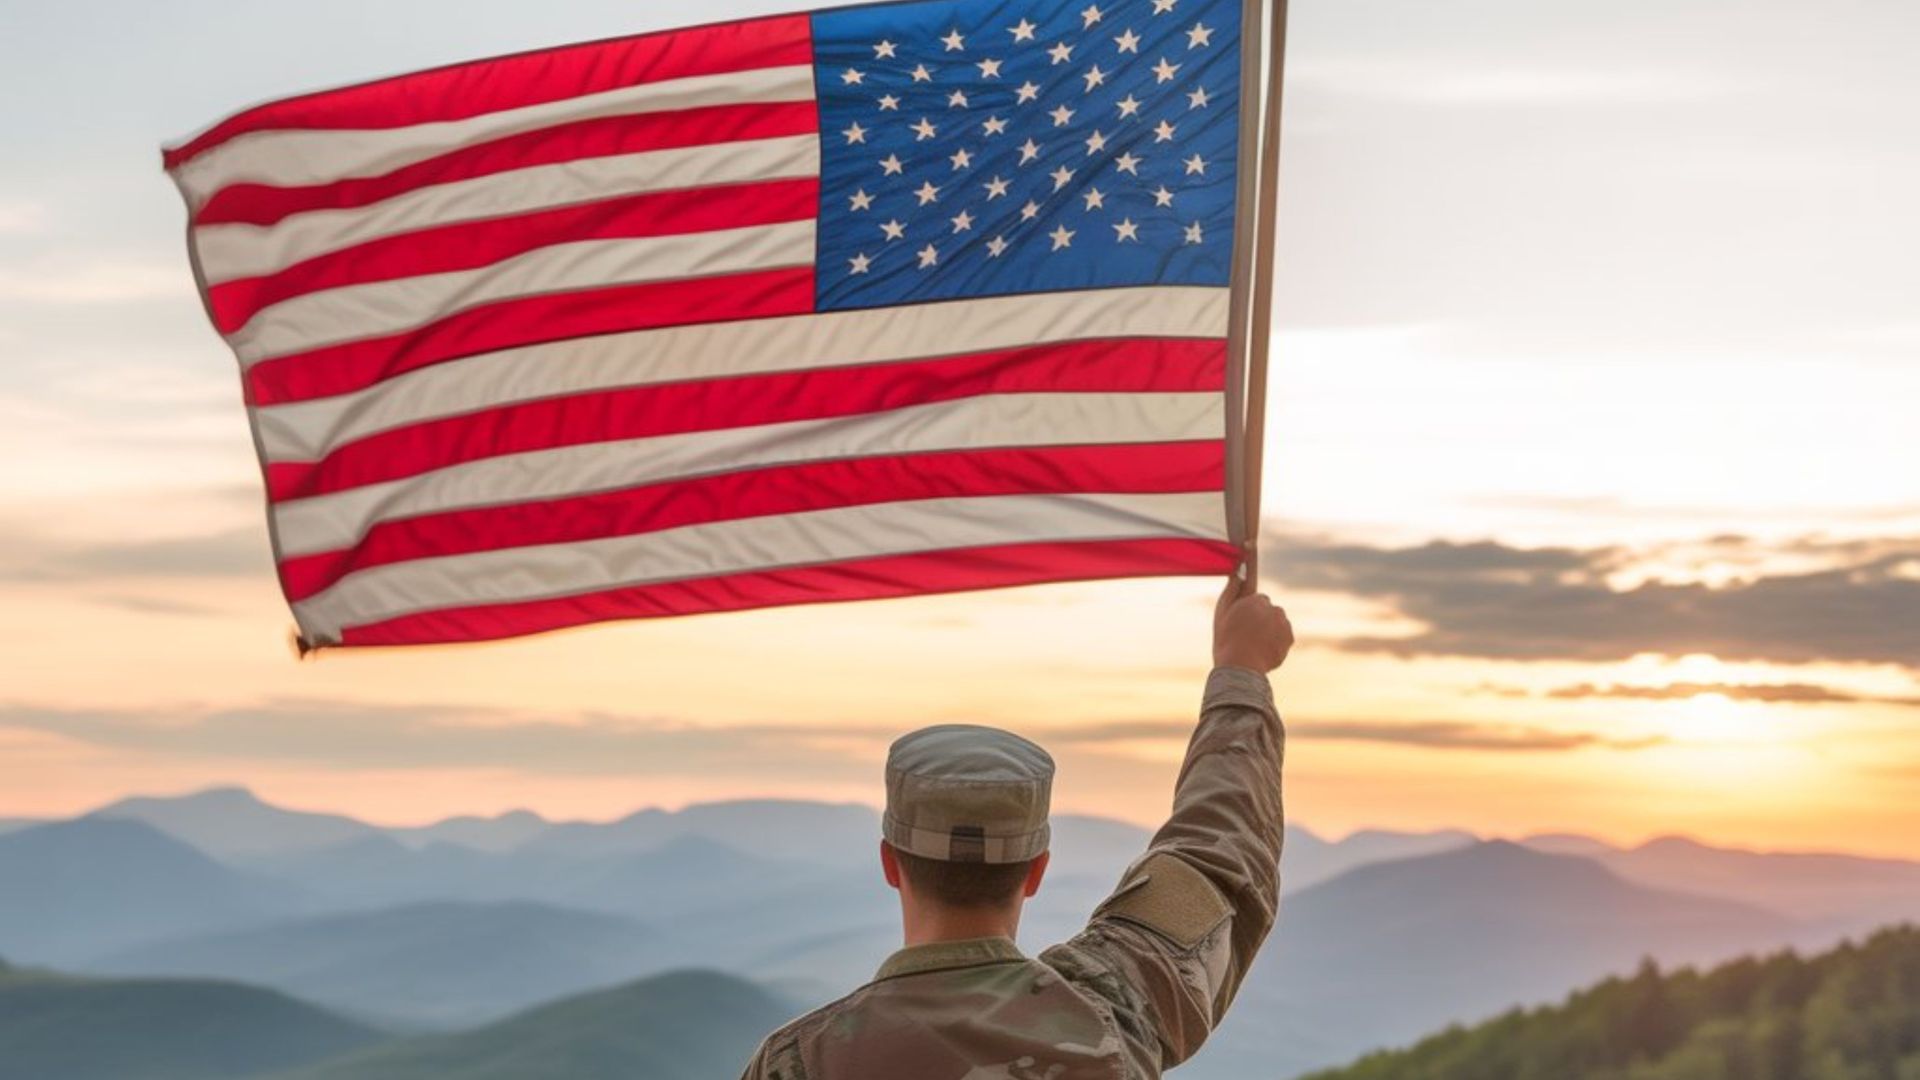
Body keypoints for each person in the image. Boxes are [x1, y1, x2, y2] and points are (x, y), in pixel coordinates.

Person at [740, 574, 1291, 1080]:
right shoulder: (1117, 1006)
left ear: (890, 862)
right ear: (1036, 870)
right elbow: (1218, 857)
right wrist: (1240, 669)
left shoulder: (797, 1064)